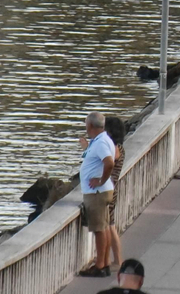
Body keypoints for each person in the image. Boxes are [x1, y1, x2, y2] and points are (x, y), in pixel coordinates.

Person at [77, 112, 117, 277]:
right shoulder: (103, 140)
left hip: (97, 193)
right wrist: (87, 149)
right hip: (102, 190)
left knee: (99, 229)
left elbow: (109, 163)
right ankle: (105, 262)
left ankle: (100, 265)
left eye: (86, 124)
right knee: (105, 227)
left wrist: (101, 180)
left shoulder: (100, 143)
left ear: (91, 126)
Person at [103, 115, 127, 272]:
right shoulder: (120, 147)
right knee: (110, 225)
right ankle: (117, 259)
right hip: (113, 190)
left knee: (109, 226)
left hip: (108, 191)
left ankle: (117, 260)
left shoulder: (114, 149)